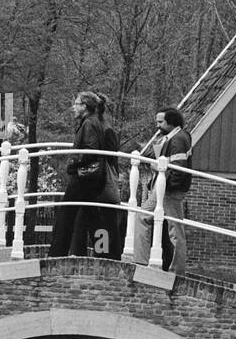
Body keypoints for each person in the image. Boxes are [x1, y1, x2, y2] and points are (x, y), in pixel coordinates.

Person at [49, 91, 120, 259]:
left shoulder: (89, 123)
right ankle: (104, 254)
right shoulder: (95, 122)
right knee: (93, 217)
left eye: (77, 104)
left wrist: (73, 165)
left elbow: (90, 151)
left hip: (84, 177)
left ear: (85, 107)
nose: (73, 107)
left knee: (66, 215)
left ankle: (56, 254)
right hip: (92, 178)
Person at [132, 106, 192, 275]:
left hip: (169, 189)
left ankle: (174, 270)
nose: (157, 125)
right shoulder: (173, 137)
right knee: (144, 217)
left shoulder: (179, 139)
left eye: (160, 122)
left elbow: (179, 168)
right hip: (165, 188)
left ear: (170, 123)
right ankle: (142, 261)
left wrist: (164, 182)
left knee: (174, 229)